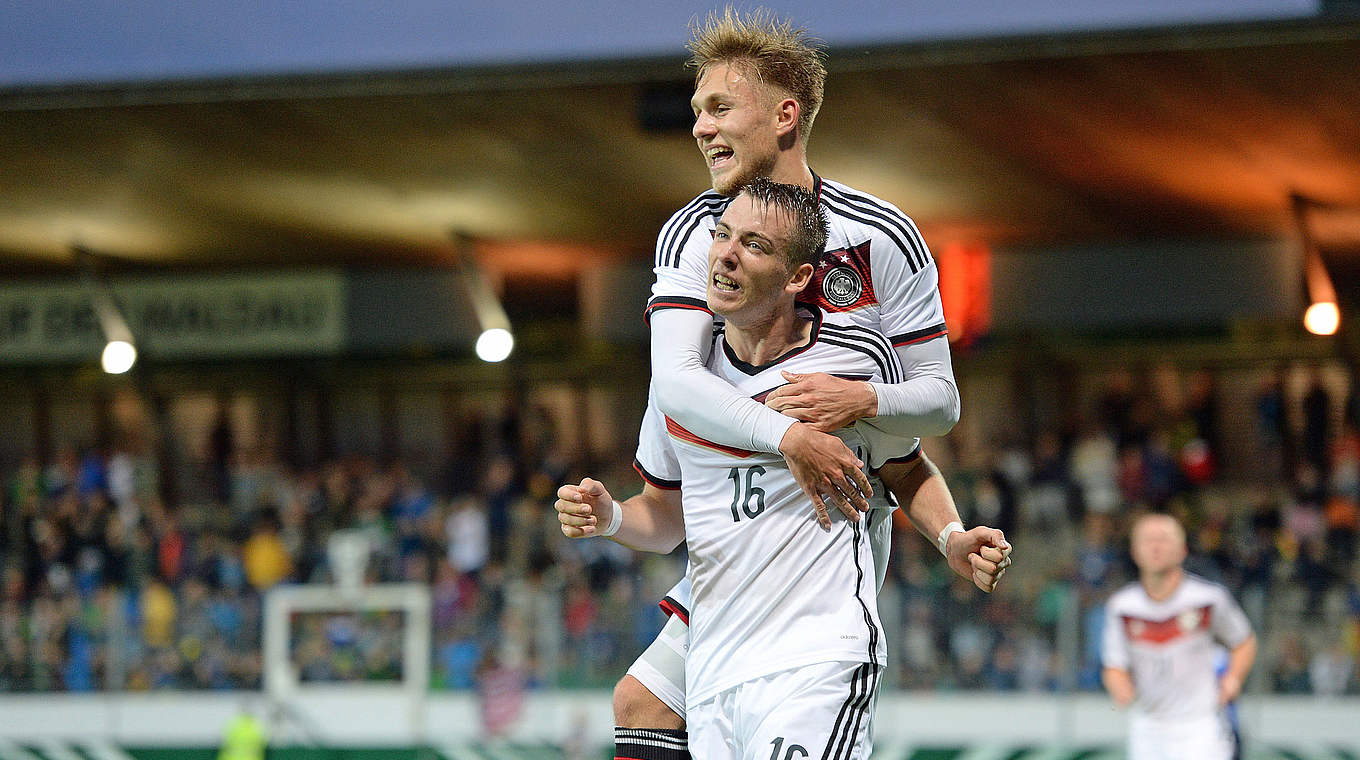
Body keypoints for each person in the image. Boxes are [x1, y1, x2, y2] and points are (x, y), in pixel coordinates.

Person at [558, 180, 1009, 759]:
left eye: (753, 244)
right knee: (639, 705)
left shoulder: (848, 363)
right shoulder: (680, 384)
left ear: (798, 277)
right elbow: (668, 519)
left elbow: (906, 466)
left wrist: (950, 536)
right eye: (722, 236)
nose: (725, 254)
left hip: (817, 658)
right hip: (721, 665)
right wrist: (611, 516)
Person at [1101, 513, 1257, 760]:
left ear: (1182, 550)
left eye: (1163, 539)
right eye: (1148, 540)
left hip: (1200, 725)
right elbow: (1114, 665)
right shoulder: (1122, 607)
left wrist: (1233, 679)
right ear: (1134, 551)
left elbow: (1244, 641)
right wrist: (1120, 686)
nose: (1155, 546)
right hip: (1148, 725)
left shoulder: (1208, 599)